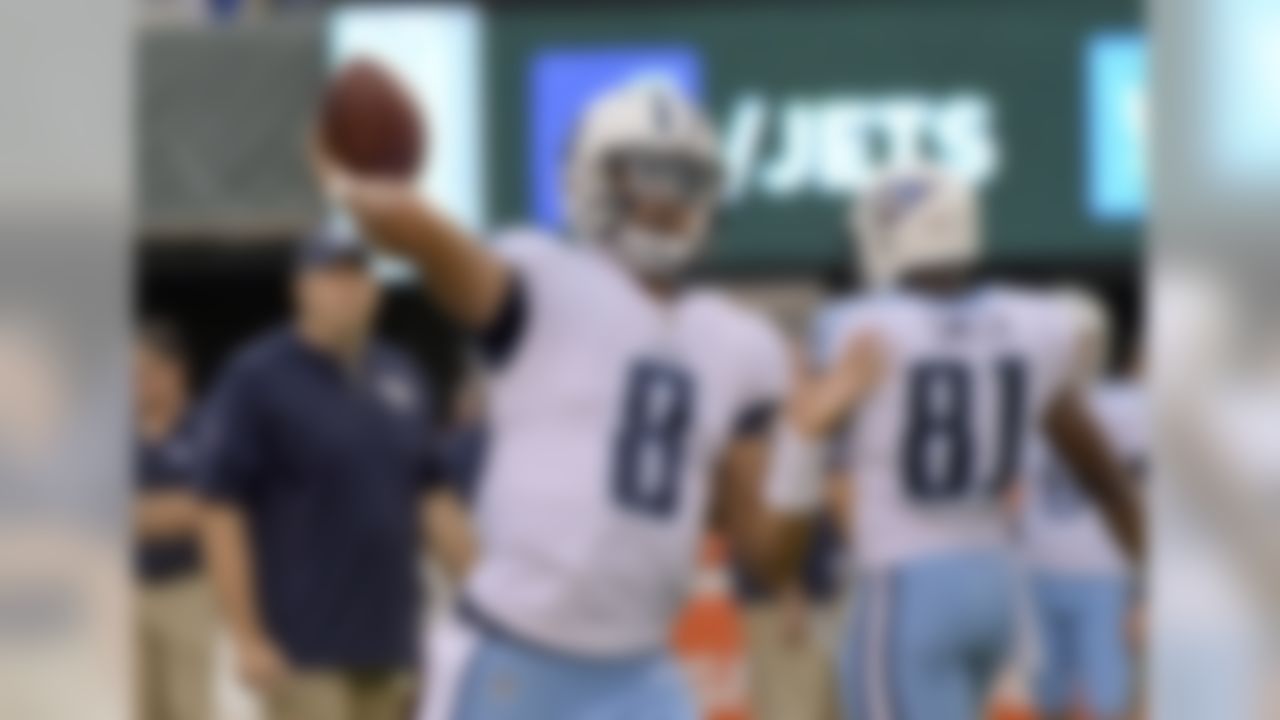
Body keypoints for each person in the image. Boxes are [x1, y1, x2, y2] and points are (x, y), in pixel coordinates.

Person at [314, 80, 805, 720]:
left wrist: (809, 446)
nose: (667, 204)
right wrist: (372, 196)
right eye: (645, 181)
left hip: (642, 671)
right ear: (591, 181)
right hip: (515, 656)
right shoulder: (542, 278)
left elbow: (769, 558)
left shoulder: (739, 342)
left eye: (685, 183)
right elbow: (425, 240)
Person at [771, 166, 1143, 720]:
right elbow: (1102, 474)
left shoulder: (856, 327)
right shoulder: (1035, 322)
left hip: (907, 585)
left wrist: (786, 572)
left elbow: (805, 460)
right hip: (994, 585)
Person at [196, 229, 474, 720]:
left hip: (389, 640)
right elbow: (221, 509)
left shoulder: (401, 374)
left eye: (358, 274)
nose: (347, 288)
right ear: (300, 287)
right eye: (331, 275)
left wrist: (488, 595)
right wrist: (246, 635)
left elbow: (433, 498)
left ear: (377, 290)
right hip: (301, 646)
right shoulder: (258, 376)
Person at [1021, 291, 1148, 720]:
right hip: (1038, 573)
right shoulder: (1022, 408)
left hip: (1106, 576)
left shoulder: (1132, 406)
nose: (1077, 352)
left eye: (1086, 340)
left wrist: (1143, 589)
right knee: (1047, 696)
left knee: (1109, 697)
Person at [134, 321, 213, 720]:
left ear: (175, 371)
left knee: (191, 707)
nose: (136, 383)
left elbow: (210, 509)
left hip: (191, 587)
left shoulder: (209, 427)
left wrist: (137, 514)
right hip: (122, 589)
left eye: (146, 372)